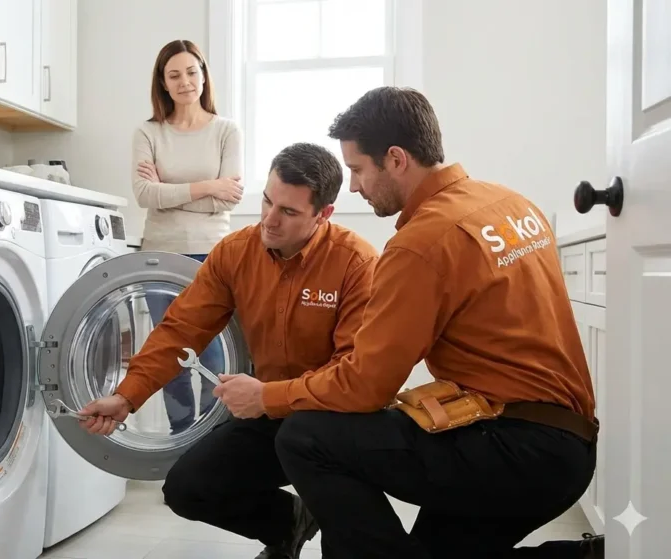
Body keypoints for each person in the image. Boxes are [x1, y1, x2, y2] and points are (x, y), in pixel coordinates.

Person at [213, 86, 602, 558]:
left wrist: (267, 396)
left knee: (305, 436)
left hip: (515, 447)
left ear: (396, 159)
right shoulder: (511, 204)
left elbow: (365, 386)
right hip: (568, 444)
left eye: (357, 169)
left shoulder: (422, 243)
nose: (353, 185)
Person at [80, 142, 380, 559]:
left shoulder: (356, 263)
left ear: (323, 214)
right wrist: (127, 396)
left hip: (336, 421)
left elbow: (353, 370)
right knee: (186, 489)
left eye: (289, 212)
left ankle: (329, 523)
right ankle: (289, 523)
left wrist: (270, 397)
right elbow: (181, 329)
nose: (269, 221)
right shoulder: (236, 252)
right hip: (271, 412)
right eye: (267, 201)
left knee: (346, 539)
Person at [130, 39, 244, 434]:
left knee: (216, 358)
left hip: (212, 257)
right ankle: (183, 443)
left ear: (204, 75)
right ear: (163, 83)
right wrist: (207, 187)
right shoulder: (148, 133)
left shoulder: (227, 131)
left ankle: (214, 446)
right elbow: (145, 195)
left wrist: (172, 193)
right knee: (172, 359)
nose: (185, 82)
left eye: (192, 72)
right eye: (174, 75)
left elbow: (227, 201)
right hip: (160, 257)